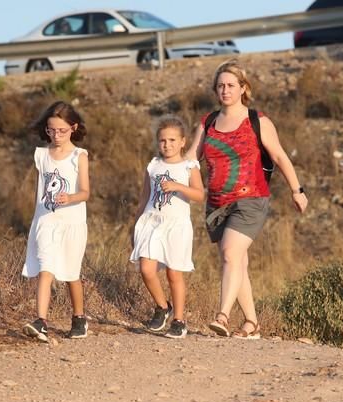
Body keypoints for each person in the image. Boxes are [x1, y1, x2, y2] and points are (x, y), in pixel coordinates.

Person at [184, 58, 308, 339]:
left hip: (250, 199)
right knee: (236, 262)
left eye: (230, 85)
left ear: (243, 88)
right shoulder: (209, 122)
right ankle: (252, 323)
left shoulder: (257, 121)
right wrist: (165, 170)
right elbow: (193, 156)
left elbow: (279, 156)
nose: (225, 90)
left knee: (230, 253)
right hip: (217, 202)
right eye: (220, 86)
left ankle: (222, 316)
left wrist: (297, 190)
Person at [130, 115, 205, 339]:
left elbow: (200, 195)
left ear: (183, 142)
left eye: (173, 140)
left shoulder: (189, 166)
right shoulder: (153, 166)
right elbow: (144, 197)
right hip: (151, 221)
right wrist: (135, 224)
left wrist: (178, 186)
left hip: (176, 225)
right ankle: (163, 307)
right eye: (163, 140)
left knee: (174, 273)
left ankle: (179, 320)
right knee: (146, 269)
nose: (167, 145)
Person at [22, 101, 90, 341]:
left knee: (71, 273)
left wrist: (69, 197)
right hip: (46, 221)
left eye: (62, 130)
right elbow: (38, 192)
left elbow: (85, 192)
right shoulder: (41, 155)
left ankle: (79, 317)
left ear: (73, 127)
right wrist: (36, 218)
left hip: (72, 222)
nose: (56, 135)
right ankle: (41, 321)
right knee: (45, 268)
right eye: (51, 130)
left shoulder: (79, 156)